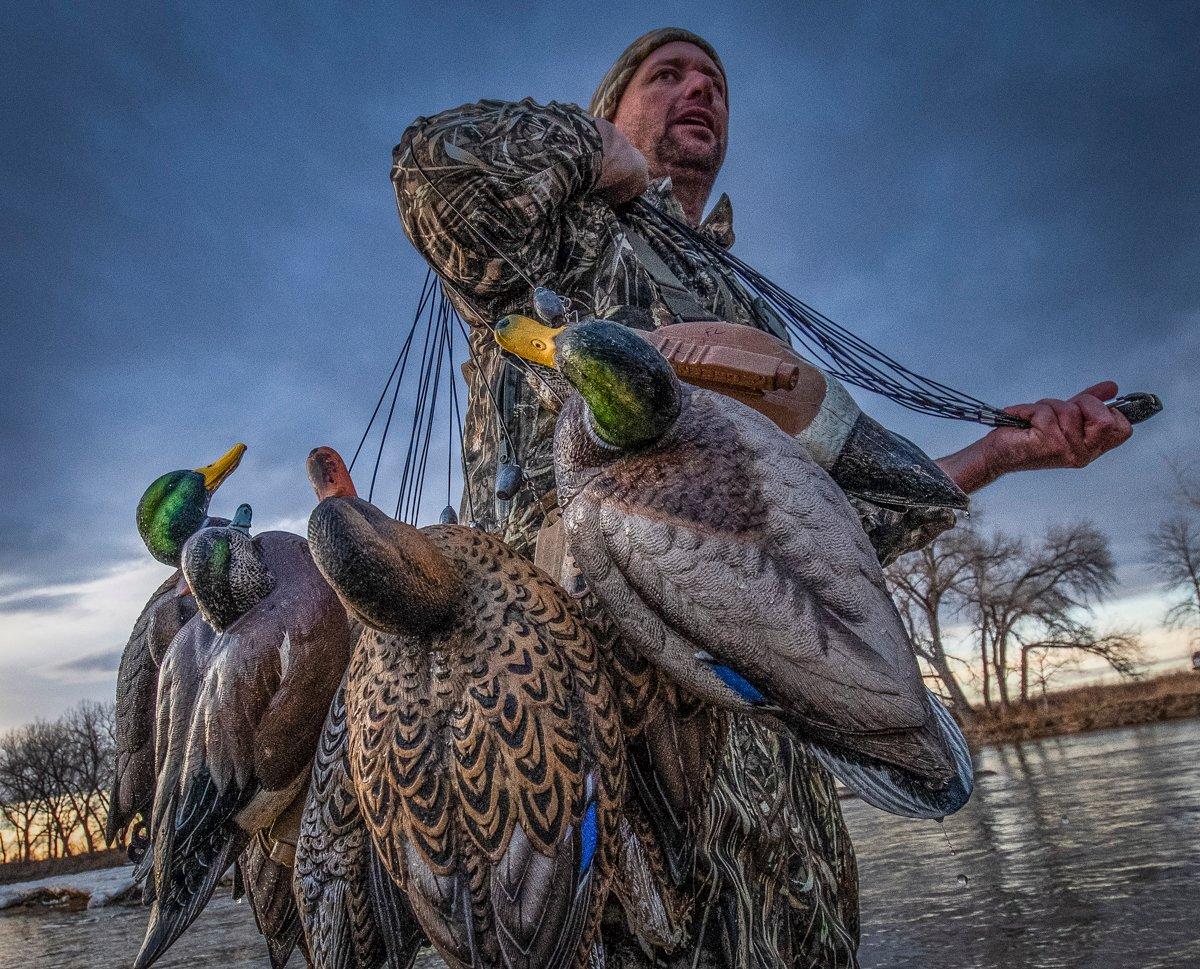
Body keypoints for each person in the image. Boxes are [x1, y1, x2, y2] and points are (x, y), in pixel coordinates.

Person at [391, 27, 1133, 967]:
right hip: (591, 756)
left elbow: (824, 539)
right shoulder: (560, 233)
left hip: (777, 805)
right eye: (667, 76)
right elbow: (432, 166)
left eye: (716, 84)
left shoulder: (747, 308)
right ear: (609, 108)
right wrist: (597, 157)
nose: (700, 91)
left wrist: (1001, 454)